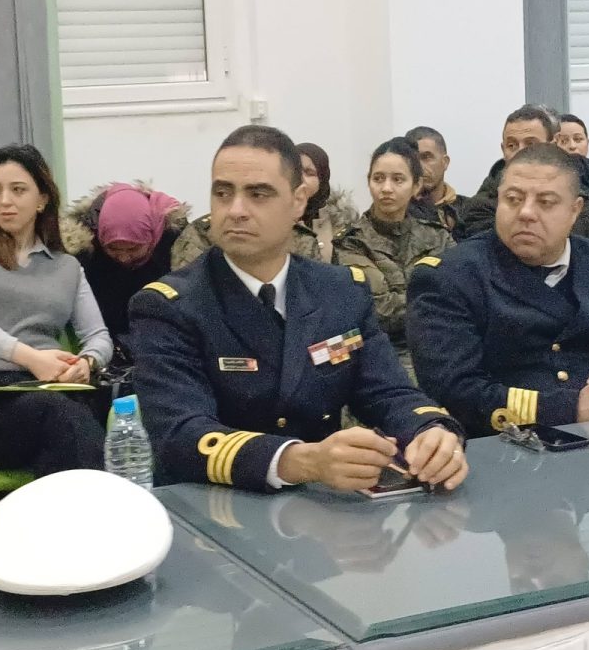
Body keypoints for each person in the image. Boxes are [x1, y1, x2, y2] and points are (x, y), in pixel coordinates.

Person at [128, 125, 469, 493]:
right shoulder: (169, 306)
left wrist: (430, 431)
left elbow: (388, 392)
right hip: (213, 503)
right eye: (223, 193)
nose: (236, 210)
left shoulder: (340, 291)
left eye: (258, 194)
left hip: (322, 507)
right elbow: (180, 435)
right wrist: (301, 461)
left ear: (298, 201)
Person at [408, 143, 589, 438]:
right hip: (512, 447)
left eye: (545, 202)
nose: (526, 213)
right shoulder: (450, 276)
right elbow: (453, 390)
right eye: (513, 199)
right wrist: (571, 409)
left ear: (575, 210)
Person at [0, 144, 112, 477]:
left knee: (87, 418)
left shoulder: (67, 266)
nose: (4, 201)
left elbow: (98, 336)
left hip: (54, 391)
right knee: (65, 421)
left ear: (42, 199)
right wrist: (32, 359)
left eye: (17, 190)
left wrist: (87, 362)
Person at [334, 138, 455, 363]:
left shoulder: (437, 236)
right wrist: (434, 302)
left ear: (416, 186)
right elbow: (380, 310)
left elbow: (460, 295)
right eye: (378, 178)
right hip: (381, 353)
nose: (386, 188)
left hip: (440, 347)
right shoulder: (352, 242)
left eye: (398, 179)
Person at [460, 105, 589, 241]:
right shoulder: (483, 207)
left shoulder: (582, 199)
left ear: (553, 145)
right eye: (512, 146)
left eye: (531, 144)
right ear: (503, 150)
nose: (521, 153)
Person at [63, 182, 190, 355]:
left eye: (133, 248)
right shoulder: (84, 253)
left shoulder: (180, 249)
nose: (123, 257)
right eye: (112, 248)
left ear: (152, 237)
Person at [293, 142, 359, 264]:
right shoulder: (276, 219)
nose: (300, 178)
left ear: (322, 178)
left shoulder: (343, 223)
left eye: (309, 173)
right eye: (295, 171)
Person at [403, 126, 470, 238]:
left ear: (445, 162)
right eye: (413, 159)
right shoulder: (398, 212)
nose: (419, 167)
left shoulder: (469, 209)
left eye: (426, 157)